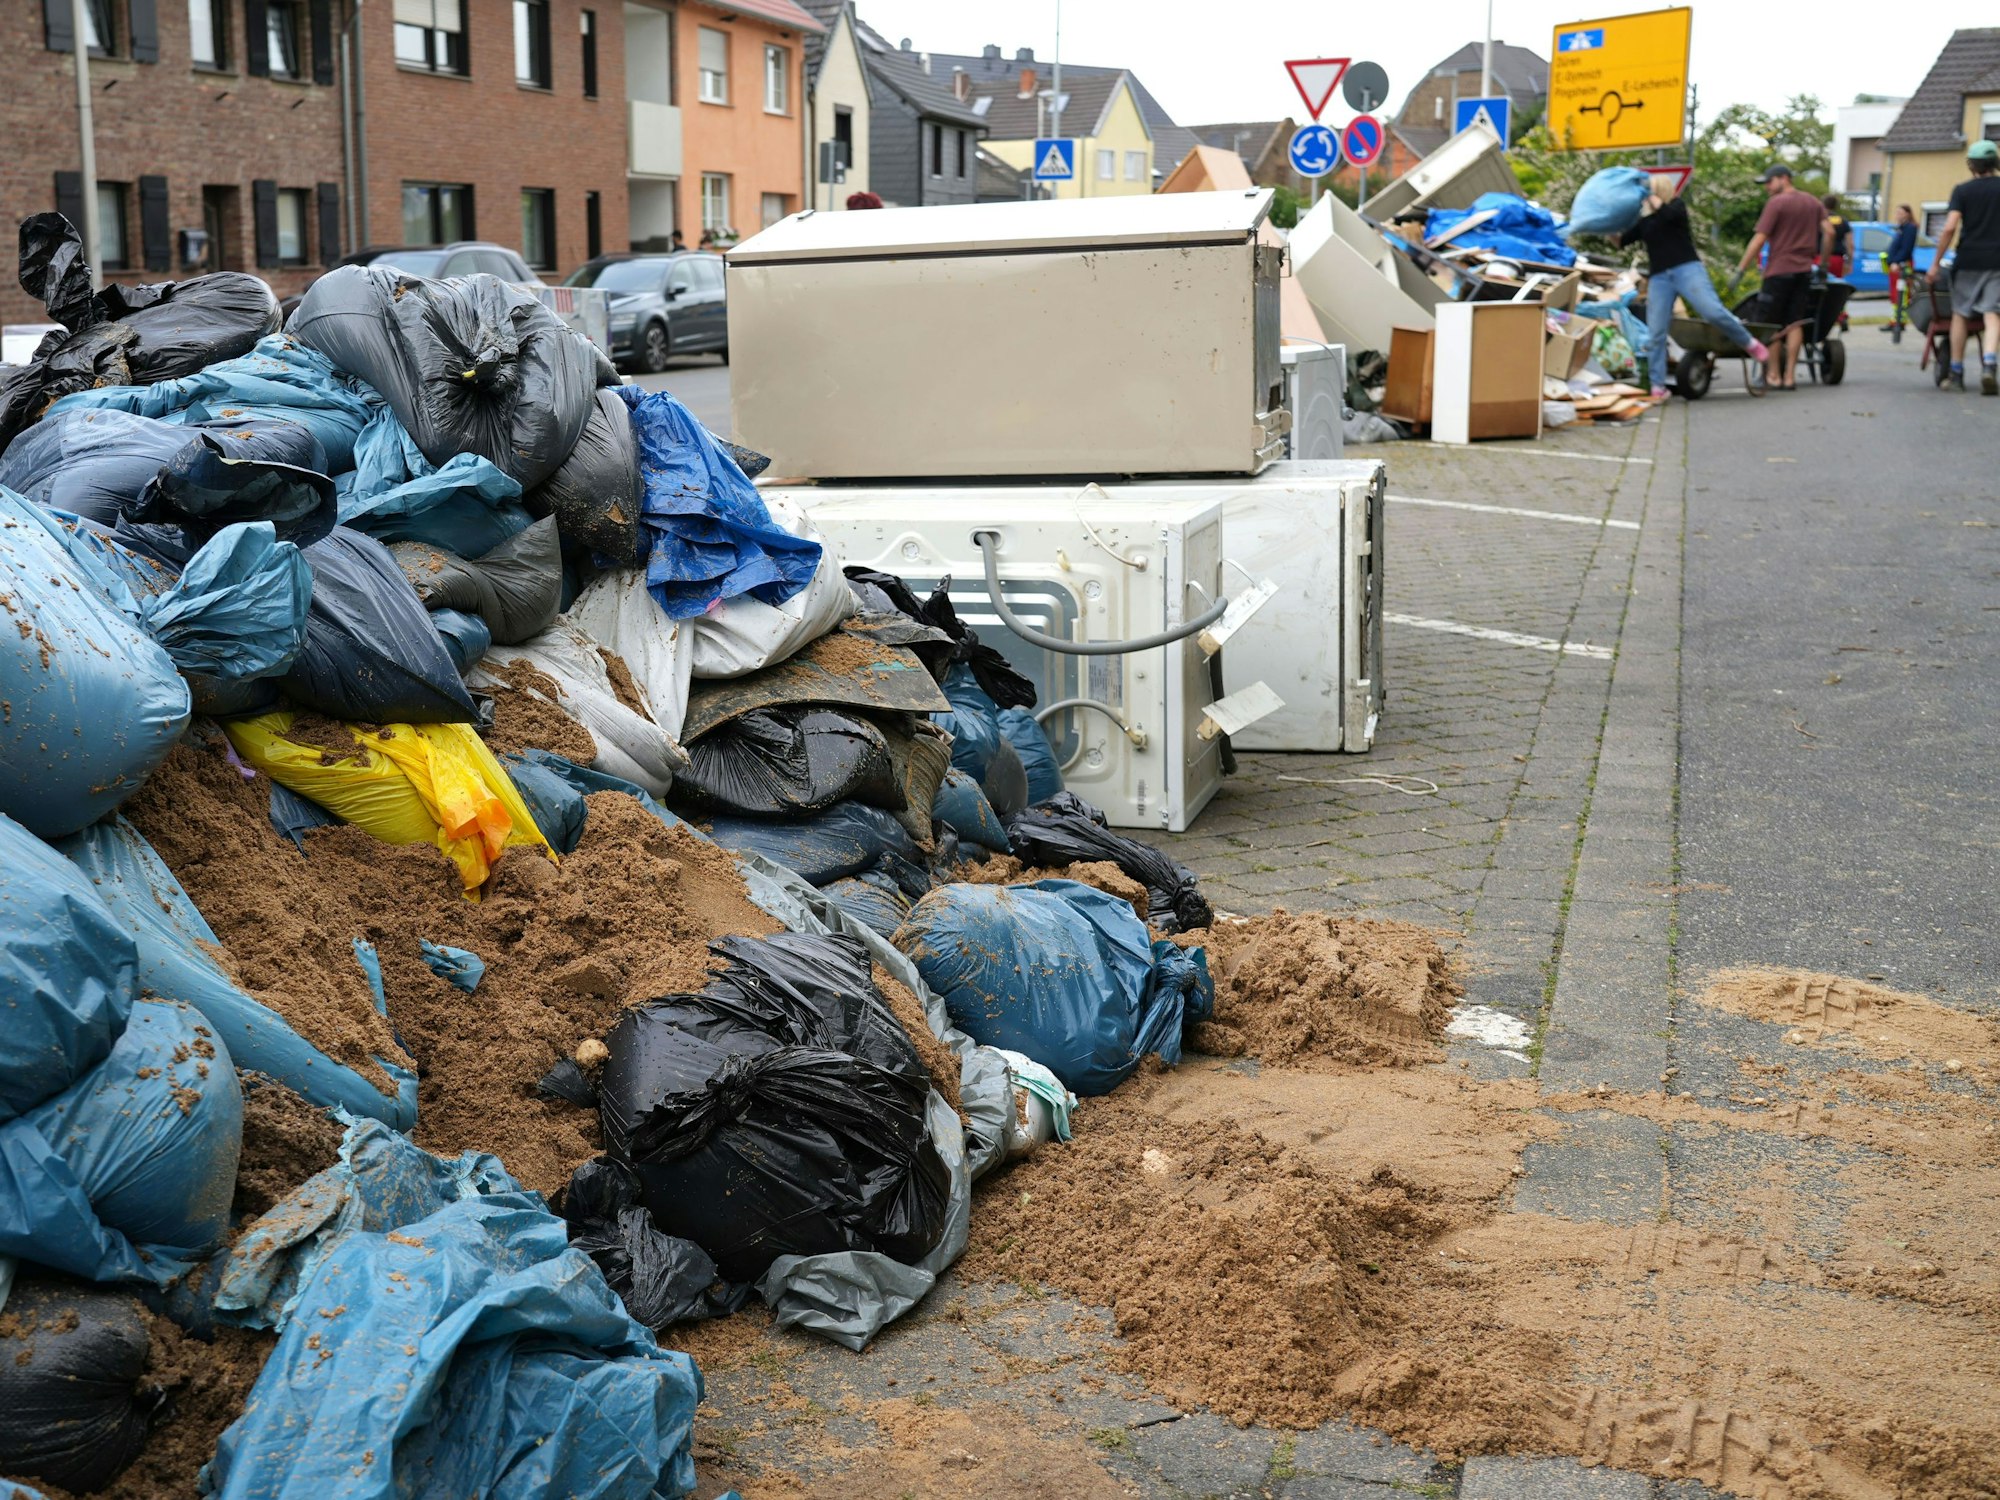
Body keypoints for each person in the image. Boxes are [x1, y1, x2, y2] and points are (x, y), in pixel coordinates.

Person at [1620, 173, 1770, 399]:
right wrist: (1606, 225)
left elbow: (1667, 215)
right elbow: (1622, 241)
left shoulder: (1676, 207)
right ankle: (1658, 386)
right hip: (1660, 277)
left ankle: (1749, 342)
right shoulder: (1646, 221)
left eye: (1651, 190)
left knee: (1712, 311)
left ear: (1659, 191)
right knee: (1656, 332)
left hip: (1687, 269)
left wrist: (1650, 197)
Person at [1736, 164, 1831, 390]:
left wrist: (1741, 269)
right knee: (1795, 322)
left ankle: (1774, 376)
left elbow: (1759, 239)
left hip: (1778, 272)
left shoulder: (1776, 203)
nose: (1767, 187)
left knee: (1771, 324)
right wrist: (1823, 264)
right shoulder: (1813, 202)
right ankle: (1790, 377)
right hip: (1804, 272)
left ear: (1784, 178)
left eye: (1770, 182)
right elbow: (1830, 231)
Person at [1928, 138, 2000, 395]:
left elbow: (1949, 227)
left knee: (1960, 314)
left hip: (1968, 259)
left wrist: (1935, 264)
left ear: (1972, 165)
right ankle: (1989, 365)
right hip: (1997, 261)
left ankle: (1956, 373)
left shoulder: (1962, 191)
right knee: (1992, 313)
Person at [1883, 204, 1919, 328]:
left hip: (1901, 265)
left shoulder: (1910, 228)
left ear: (1907, 214)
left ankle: (1899, 320)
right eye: (1897, 212)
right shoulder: (1901, 228)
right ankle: (1896, 319)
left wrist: (1897, 261)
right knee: (1895, 293)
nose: (1897, 215)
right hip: (1896, 265)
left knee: (1901, 293)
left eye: (1900, 213)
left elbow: (1906, 249)